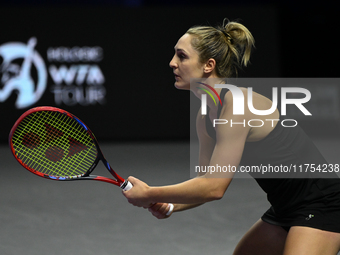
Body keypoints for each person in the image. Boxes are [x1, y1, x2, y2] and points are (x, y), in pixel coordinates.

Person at [123, 18, 340, 254]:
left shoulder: (237, 104)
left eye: (182, 56)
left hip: (324, 203)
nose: (172, 63)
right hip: (285, 207)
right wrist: (172, 205)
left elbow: (214, 188)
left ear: (208, 65)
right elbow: (204, 181)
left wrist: (150, 193)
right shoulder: (205, 116)